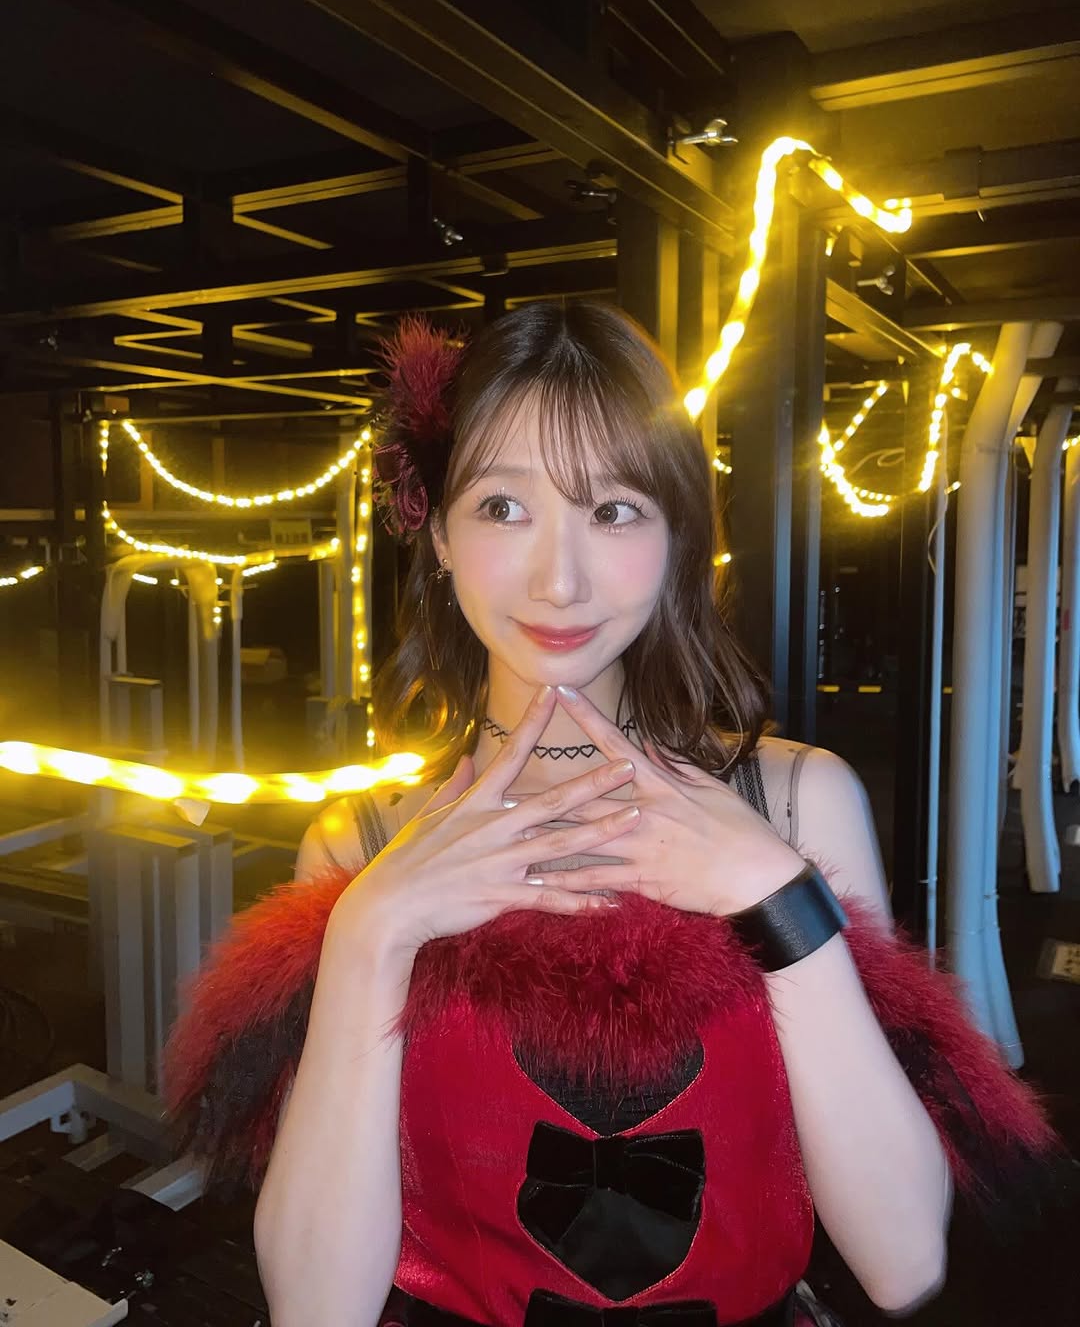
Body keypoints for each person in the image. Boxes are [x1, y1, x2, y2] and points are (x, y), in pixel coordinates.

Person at [165, 304, 1060, 1327]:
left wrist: (771, 896)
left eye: (615, 509)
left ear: (677, 537)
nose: (560, 579)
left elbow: (904, 1263)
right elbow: (318, 1310)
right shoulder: (366, 842)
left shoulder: (790, 804)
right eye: (504, 507)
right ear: (440, 533)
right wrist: (374, 931)